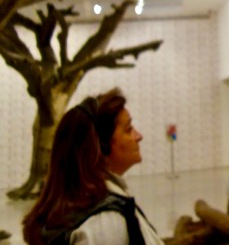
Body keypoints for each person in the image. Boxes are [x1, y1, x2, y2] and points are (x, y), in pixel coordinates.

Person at [22, 88, 164, 244]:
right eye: (128, 129)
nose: (139, 136)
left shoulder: (95, 208)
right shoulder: (105, 224)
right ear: (102, 146)